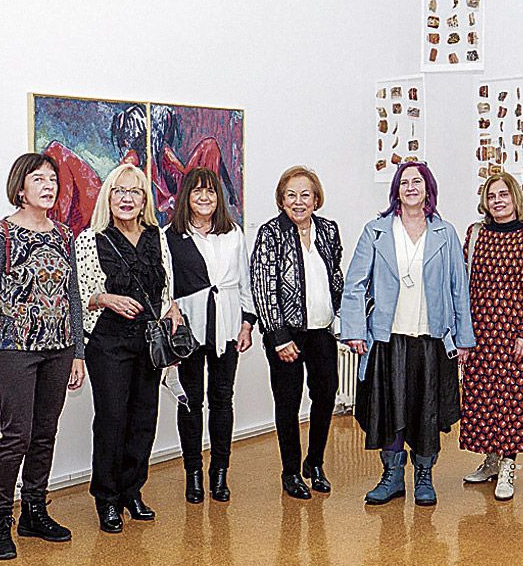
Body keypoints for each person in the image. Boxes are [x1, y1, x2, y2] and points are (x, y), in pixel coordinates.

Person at [0, 153, 86, 560]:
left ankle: (35, 510)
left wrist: (79, 353)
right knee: (15, 436)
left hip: (60, 348)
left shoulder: (65, 236)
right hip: (14, 349)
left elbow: (72, 294)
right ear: (21, 188)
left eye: (52, 179)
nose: (49, 185)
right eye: (39, 179)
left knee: (45, 433)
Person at [342, 162, 474, 507]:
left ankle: (424, 476)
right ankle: (392, 476)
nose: (411, 187)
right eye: (404, 182)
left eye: (417, 181)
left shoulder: (445, 234)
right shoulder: (376, 231)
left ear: (428, 188)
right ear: (396, 190)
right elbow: (354, 285)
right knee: (390, 410)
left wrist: (464, 339)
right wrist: (354, 329)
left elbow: (459, 289)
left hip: (431, 339)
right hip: (388, 339)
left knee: (425, 411)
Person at [75, 163, 184, 533]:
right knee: (111, 420)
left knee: (143, 419)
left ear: (144, 200)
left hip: (149, 341)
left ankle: (132, 492)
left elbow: (166, 285)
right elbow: (80, 295)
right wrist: (108, 299)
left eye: (134, 192)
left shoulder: (157, 236)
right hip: (108, 342)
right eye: (119, 191)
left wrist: (171, 307)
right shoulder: (91, 239)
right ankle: (106, 500)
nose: (126, 198)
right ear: (109, 196)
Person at [164, 166, 256, 504]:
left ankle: (220, 472)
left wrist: (247, 322)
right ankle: (193, 474)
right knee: (191, 402)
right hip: (188, 328)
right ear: (186, 196)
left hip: (228, 325)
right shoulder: (170, 236)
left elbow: (245, 281)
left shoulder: (232, 232)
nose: (205, 197)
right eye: (198, 191)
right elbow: (165, 287)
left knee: (222, 398)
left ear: (219, 197)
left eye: (211, 191)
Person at [251, 166, 344, 500]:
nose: (299, 201)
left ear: (316, 198)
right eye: (291, 195)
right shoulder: (270, 233)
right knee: (288, 404)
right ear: (281, 199)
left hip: (322, 332)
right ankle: (290, 472)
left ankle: (314, 463)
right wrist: (278, 335)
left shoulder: (330, 231)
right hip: (286, 334)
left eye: (305, 194)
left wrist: (344, 316)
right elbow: (263, 286)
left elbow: (335, 276)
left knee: (326, 397)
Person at [459, 172, 523, 501]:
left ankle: (509, 463)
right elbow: (463, 282)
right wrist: (462, 332)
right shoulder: (476, 234)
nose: (497, 201)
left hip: (512, 331)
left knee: (511, 399)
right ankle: (491, 461)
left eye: (503, 195)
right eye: (491, 195)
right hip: (479, 328)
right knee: (481, 397)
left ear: (515, 199)